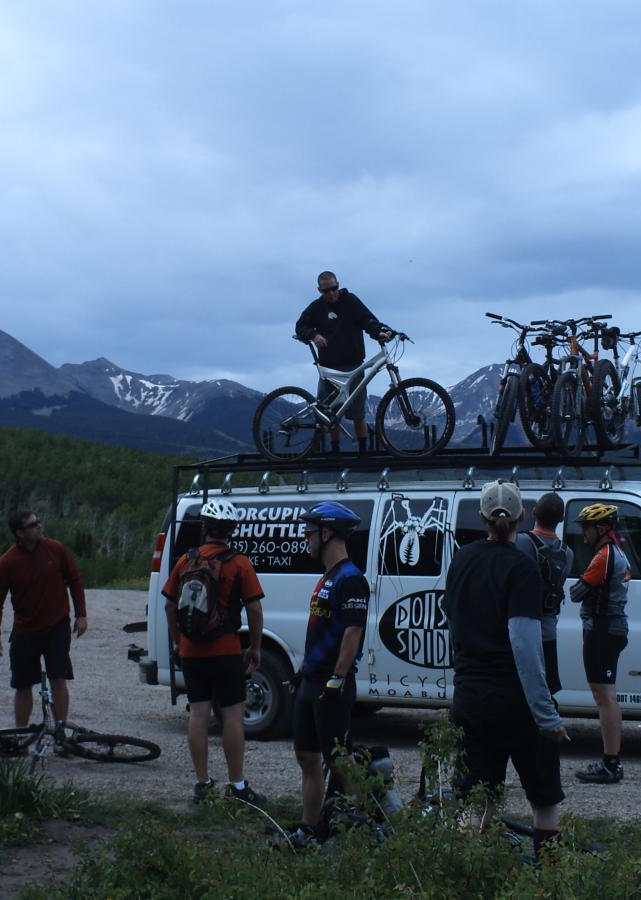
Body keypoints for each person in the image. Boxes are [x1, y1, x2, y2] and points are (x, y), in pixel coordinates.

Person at [445, 480, 569, 861]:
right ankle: (548, 876)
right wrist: (547, 717)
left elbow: (451, 618)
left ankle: (471, 875)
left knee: (477, 798)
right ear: (521, 517)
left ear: (482, 518)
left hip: (470, 696)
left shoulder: (462, 559)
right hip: (515, 701)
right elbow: (525, 645)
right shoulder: (523, 566)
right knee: (543, 797)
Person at [161, 499, 266, 806]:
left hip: (192, 652)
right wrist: (255, 647)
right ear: (230, 531)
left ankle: (202, 784)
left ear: (204, 528)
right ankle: (237, 786)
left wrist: (178, 641)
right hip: (226, 650)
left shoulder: (185, 560)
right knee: (233, 715)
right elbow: (255, 609)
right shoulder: (239, 563)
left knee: (199, 714)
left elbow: (169, 603)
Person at [282, 501, 370, 847]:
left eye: (310, 531)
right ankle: (309, 827)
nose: (305, 537)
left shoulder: (351, 579)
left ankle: (362, 824)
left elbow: (352, 633)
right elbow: (321, 632)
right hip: (312, 680)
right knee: (307, 756)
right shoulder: (328, 578)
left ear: (328, 533)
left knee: (339, 759)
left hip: (331, 685)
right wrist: (303, 673)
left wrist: (337, 678)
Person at [0, 511, 88, 727]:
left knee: (58, 680)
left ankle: (60, 732)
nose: (39, 526)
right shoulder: (7, 562)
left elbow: (75, 580)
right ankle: (21, 734)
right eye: (33, 525)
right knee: (23, 685)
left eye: (38, 522)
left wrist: (81, 615)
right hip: (26, 631)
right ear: (20, 533)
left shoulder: (56, 549)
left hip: (57, 627)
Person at [294, 271, 394, 454]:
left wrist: (378, 332)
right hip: (329, 366)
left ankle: (363, 452)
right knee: (330, 412)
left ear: (338, 285)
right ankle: (335, 452)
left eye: (334, 288)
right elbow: (300, 326)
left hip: (354, 363)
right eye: (326, 291)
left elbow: (367, 320)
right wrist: (313, 335)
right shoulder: (316, 308)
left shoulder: (351, 301)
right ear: (319, 290)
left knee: (358, 411)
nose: (331, 293)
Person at [569, 503, 631, 784]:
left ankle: (610, 764)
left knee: (603, 696)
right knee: (606, 695)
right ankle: (611, 761)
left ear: (602, 528)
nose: (583, 534)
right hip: (610, 629)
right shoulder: (617, 554)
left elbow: (576, 593)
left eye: (586, 528)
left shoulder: (604, 557)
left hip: (603, 630)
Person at [515, 493, 572, 695]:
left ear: (533, 513)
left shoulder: (521, 542)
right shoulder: (568, 553)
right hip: (548, 631)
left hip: (521, 629)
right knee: (545, 690)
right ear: (561, 520)